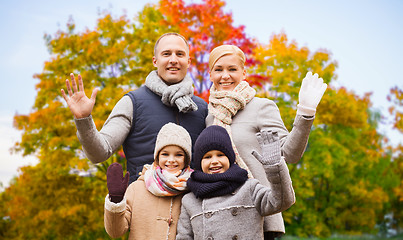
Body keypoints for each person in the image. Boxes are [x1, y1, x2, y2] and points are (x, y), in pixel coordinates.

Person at [206, 45, 327, 239]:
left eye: (232, 69)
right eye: (218, 69)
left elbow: (290, 154)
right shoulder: (210, 117)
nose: (225, 75)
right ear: (210, 74)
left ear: (244, 72)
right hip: (221, 218)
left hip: (259, 214)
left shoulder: (261, 107)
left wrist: (305, 113)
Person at [61, 32, 208, 183]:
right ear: (155, 61)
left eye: (180, 54)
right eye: (166, 54)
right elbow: (99, 153)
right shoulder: (132, 103)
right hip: (143, 201)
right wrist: (84, 120)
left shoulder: (202, 109)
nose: (173, 60)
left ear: (188, 61)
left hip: (190, 203)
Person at [176, 125, 295, 239]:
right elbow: (184, 237)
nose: (214, 161)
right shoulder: (189, 200)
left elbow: (282, 201)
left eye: (220, 155)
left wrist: (275, 168)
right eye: (207, 157)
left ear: (230, 158)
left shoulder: (249, 188)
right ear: (199, 163)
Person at [105, 123, 194, 240]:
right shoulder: (136, 189)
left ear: (186, 159)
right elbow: (115, 232)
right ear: (157, 157)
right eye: (165, 154)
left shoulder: (192, 189)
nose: (171, 160)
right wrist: (116, 200)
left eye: (178, 155)